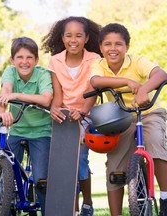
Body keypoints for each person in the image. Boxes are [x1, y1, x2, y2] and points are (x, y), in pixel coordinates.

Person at [90, 23, 167, 216]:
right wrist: (126, 82)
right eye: (107, 44)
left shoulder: (138, 61)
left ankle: (165, 197)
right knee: (114, 164)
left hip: (148, 113)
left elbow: (161, 74)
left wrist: (143, 89)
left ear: (127, 47)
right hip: (120, 118)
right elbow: (95, 81)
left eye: (119, 44)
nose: (113, 48)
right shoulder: (98, 65)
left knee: (155, 141)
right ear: (101, 48)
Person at [41, 16, 101, 215]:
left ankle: (87, 204)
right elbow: (58, 96)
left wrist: (82, 112)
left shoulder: (94, 59)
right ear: (62, 37)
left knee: (80, 160)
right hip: (65, 117)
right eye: (69, 35)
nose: (73, 40)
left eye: (78, 35)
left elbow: (93, 91)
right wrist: (54, 109)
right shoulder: (55, 61)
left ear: (86, 38)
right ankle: (71, 209)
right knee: (65, 165)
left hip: (86, 114)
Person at [0, 36, 53, 215]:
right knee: (5, 168)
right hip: (18, 130)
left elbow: (46, 99)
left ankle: (46, 211)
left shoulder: (43, 73)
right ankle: (7, 205)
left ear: (36, 60)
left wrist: (18, 96)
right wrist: (2, 111)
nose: (24, 61)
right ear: (12, 60)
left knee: (41, 179)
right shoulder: (10, 72)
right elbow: (5, 91)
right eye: (19, 57)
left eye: (29, 57)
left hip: (41, 131)